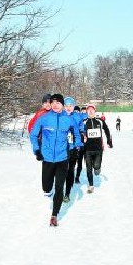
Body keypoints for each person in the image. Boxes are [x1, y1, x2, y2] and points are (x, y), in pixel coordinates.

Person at [30, 94, 82, 227]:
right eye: (53, 102)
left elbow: (76, 134)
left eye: (58, 102)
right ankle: (49, 191)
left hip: (62, 158)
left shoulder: (69, 120)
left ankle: (54, 214)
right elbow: (34, 134)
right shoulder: (44, 119)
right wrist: (37, 150)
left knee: (59, 187)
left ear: (62, 105)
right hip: (47, 158)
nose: (55, 104)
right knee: (46, 188)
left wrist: (77, 146)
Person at [83, 104, 113, 194]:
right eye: (89, 110)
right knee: (88, 168)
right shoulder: (83, 122)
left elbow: (106, 130)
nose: (90, 111)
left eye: (92, 110)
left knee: (96, 166)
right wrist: (82, 137)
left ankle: (97, 168)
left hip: (98, 149)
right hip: (87, 149)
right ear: (86, 112)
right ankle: (91, 185)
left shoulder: (100, 121)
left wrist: (109, 141)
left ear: (95, 111)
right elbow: (79, 132)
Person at [62, 97, 84, 203]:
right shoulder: (60, 116)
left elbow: (80, 130)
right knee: (61, 171)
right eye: (66, 105)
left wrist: (78, 144)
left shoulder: (77, 117)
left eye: (70, 106)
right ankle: (59, 189)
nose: (68, 108)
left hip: (73, 147)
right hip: (61, 149)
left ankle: (67, 193)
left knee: (70, 170)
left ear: (74, 106)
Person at [75, 105, 88, 183]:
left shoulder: (83, 118)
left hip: (83, 144)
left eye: (78, 111)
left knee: (80, 162)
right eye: (75, 111)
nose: (76, 112)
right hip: (75, 144)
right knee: (73, 162)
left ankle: (77, 177)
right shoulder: (72, 119)